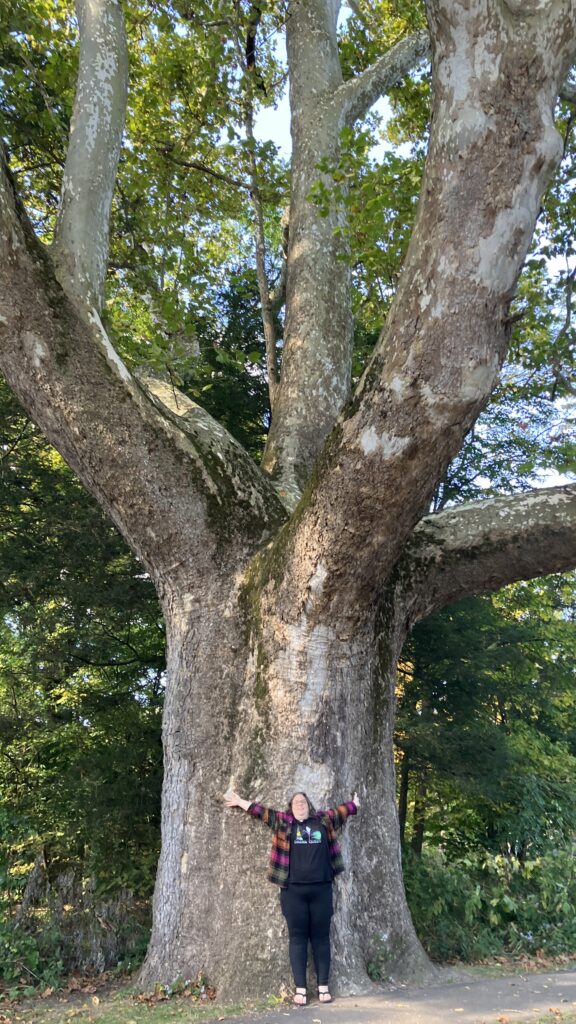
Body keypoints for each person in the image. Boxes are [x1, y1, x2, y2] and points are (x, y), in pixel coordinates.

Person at [224, 787, 359, 1006]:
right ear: (291, 807)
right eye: (296, 802)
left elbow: (340, 812)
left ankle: (323, 987)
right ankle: (301, 990)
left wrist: (354, 805)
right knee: (297, 938)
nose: (299, 804)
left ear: (309, 806)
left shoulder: (323, 821)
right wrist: (240, 801)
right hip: (293, 891)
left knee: (321, 937)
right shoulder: (283, 822)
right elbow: (261, 812)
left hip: (322, 889)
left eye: (303, 802)